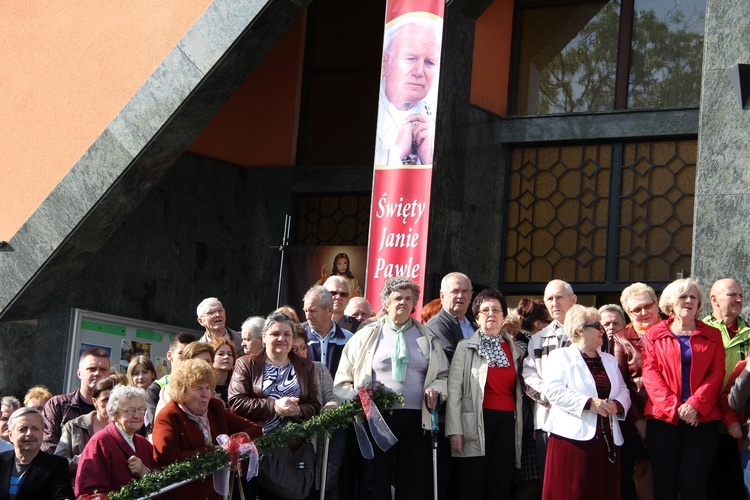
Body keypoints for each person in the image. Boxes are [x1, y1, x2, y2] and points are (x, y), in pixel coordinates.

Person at [334, 276, 449, 500]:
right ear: (385, 303)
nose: (403, 302)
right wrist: (356, 396)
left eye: (408, 298)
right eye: (397, 298)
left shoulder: (427, 337)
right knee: (377, 482)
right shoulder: (366, 336)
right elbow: (342, 379)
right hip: (377, 419)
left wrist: (436, 388)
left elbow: (443, 374)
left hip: (418, 419)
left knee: (411, 482)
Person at [641, 278, 725, 500]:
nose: (688, 301)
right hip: (663, 420)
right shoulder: (653, 335)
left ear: (699, 304)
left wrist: (695, 405)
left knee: (693, 488)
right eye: (682, 296)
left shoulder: (713, 335)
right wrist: (676, 408)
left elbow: (716, 374)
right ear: (670, 303)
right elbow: (650, 374)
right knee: (664, 489)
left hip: (702, 421)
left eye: (693, 297)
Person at [541, 305, 631, 500]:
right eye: (597, 325)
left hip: (607, 441)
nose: (602, 330)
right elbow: (553, 391)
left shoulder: (609, 359)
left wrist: (617, 405)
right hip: (573, 441)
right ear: (580, 330)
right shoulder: (560, 356)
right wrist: (589, 403)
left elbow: (623, 390)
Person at [446, 288, 525, 499]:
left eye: (496, 310)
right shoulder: (465, 347)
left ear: (504, 316)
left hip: (508, 423)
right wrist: (455, 430)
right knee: (473, 484)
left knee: (501, 484)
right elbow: (454, 391)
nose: (491, 314)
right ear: (477, 317)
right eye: (485, 310)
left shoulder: (516, 350)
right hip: (475, 422)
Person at [152, 358, 262, 500]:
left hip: (215, 494)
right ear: (183, 391)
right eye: (198, 388)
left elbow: (254, 429)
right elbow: (168, 458)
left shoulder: (214, 408)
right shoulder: (169, 416)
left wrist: (235, 443)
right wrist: (215, 452)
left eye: (208, 387)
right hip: (184, 494)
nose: (205, 394)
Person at [612, 282, 661, 500]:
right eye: (635, 310)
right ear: (628, 313)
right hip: (637, 420)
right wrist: (638, 420)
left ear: (657, 304)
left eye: (647, 305)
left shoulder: (674, 331)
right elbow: (621, 383)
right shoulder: (621, 338)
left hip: (671, 417)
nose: (643, 313)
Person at [229, 312, 320, 431]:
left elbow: (314, 407)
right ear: (264, 337)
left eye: (287, 334)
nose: (281, 338)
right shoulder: (246, 364)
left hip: (296, 441)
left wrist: (297, 411)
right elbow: (236, 403)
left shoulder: (306, 366)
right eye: (275, 334)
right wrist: (275, 406)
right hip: (257, 439)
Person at [522, 279, 577, 476]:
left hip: (582, 418)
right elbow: (528, 376)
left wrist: (573, 401)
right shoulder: (537, 339)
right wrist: (552, 398)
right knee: (550, 481)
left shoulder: (590, 332)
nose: (555, 303)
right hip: (547, 420)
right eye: (550, 299)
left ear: (573, 299)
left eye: (559, 297)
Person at [303, 285, 353, 500]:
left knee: (330, 475)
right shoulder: (298, 336)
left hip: (337, 416)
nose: (308, 315)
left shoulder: (350, 339)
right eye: (306, 310)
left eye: (313, 310)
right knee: (304, 472)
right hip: (305, 414)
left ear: (329, 310)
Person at [704, 278, 750, 498]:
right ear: (714, 299)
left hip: (738, 425)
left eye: (741, 295)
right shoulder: (699, 331)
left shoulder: (749, 333)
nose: (739, 299)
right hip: (704, 421)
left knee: (736, 487)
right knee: (707, 486)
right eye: (733, 295)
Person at [375, 20, 441, 166]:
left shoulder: (442, 117)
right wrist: (396, 153)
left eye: (429, 62)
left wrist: (430, 159)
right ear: (385, 63)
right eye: (411, 59)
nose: (419, 72)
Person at [74, 385, 158, 496]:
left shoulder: (144, 444)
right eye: (131, 410)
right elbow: (89, 491)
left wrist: (145, 471)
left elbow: (162, 480)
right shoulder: (100, 442)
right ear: (113, 414)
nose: (137, 415)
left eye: (141, 409)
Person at [292, 328, 339, 496]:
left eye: (303, 347)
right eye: (294, 349)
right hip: (290, 437)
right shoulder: (282, 371)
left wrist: (330, 407)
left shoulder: (319, 368)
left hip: (316, 438)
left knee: (314, 487)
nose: (300, 352)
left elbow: (330, 396)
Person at [42, 347, 110, 452]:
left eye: (103, 369)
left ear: (109, 375)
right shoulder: (58, 405)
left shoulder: (116, 409)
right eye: (92, 369)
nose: (97, 373)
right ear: (79, 373)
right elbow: (48, 447)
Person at [0, 407, 73, 499]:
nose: (29, 433)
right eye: (23, 429)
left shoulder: (56, 465)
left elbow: (61, 496)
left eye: (35, 428)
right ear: (10, 435)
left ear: (43, 432)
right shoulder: (1, 461)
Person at [55, 376, 116, 478]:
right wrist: (87, 458)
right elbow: (58, 464)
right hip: (78, 489)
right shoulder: (73, 426)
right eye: (106, 400)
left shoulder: (125, 428)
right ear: (95, 402)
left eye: (115, 400)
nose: (110, 405)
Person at [145, 332, 196, 425]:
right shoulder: (155, 389)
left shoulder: (201, 387)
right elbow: (155, 425)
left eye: (190, 354)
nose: (186, 357)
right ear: (169, 355)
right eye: (181, 353)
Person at [155, 342, 215, 417]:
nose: (204, 365)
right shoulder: (169, 392)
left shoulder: (214, 396)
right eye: (198, 361)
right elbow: (161, 420)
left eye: (208, 361)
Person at [426, 272, 476, 362]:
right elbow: (448, 361)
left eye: (465, 291)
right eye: (455, 291)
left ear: (470, 297)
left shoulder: (475, 327)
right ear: (442, 296)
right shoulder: (437, 325)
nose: (460, 296)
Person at [210, 337, 238, 406]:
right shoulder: (205, 386)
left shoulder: (238, 385)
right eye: (221, 354)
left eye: (230, 354)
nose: (226, 357)